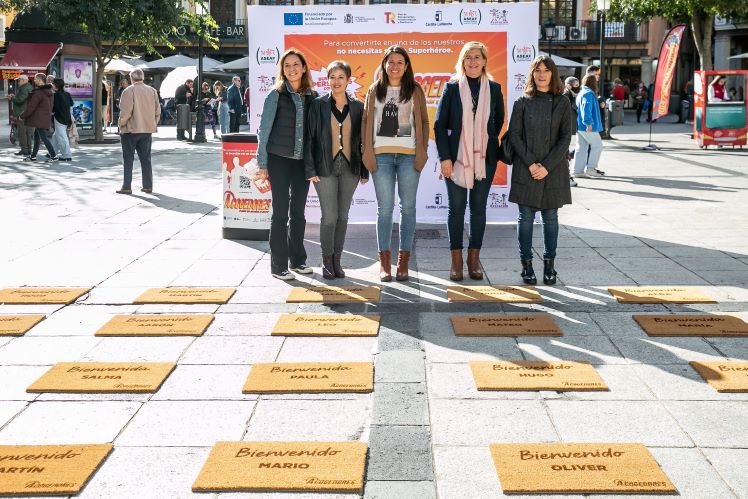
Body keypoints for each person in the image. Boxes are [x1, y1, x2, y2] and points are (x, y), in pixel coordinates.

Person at [434, 41, 504, 281]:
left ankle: (473, 261)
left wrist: (482, 142)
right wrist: (445, 158)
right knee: (456, 209)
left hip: (485, 159)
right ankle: (456, 263)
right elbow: (439, 125)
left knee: (478, 209)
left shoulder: (494, 89)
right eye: (468, 58)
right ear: (462, 62)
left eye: (477, 57)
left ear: (485, 60)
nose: (472, 62)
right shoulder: (452, 88)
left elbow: (498, 121)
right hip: (455, 160)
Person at [362, 45, 429, 282]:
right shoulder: (374, 90)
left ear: (407, 66)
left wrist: (422, 151)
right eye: (390, 62)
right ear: (384, 64)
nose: (395, 66)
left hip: (409, 156)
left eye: (400, 62)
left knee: (408, 208)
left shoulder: (415, 90)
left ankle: (403, 263)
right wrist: (367, 153)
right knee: (385, 209)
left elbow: (423, 121)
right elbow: (366, 123)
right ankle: (384, 264)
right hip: (381, 156)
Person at [508, 55, 572, 286]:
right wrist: (532, 164)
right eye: (538, 70)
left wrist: (546, 166)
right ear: (532, 74)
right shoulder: (522, 102)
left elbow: (566, 137)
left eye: (546, 70)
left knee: (551, 217)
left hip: (553, 170)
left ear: (553, 74)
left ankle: (549, 266)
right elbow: (514, 136)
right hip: (526, 168)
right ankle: (526, 266)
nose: (542, 74)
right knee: (525, 217)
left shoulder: (562, 102)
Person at [256, 49, 317, 280]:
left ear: (303, 68)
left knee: (299, 213)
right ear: (282, 69)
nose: (291, 69)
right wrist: (263, 162)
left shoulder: (313, 96)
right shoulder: (275, 94)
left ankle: (298, 261)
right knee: (280, 213)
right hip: (278, 160)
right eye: (287, 65)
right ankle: (278, 265)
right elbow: (264, 131)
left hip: (302, 162)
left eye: (296, 64)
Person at [305, 60, 368, 279]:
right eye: (332, 77)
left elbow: (363, 141)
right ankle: (326, 260)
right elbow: (310, 138)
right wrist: (310, 167)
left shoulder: (358, 107)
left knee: (343, 216)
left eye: (341, 77)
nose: (336, 81)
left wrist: (364, 170)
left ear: (348, 80)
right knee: (329, 217)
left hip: (350, 168)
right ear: (328, 80)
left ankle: (337, 261)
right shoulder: (318, 104)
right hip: (324, 168)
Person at [116, 68, 161, 195]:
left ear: (131, 78)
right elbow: (158, 112)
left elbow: (125, 112)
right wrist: (152, 124)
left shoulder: (128, 91)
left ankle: (126, 186)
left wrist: (121, 125)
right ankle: (148, 185)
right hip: (146, 130)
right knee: (146, 158)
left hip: (130, 130)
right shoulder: (152, 91)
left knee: (128, 158)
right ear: (143, 77)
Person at [20, 73, 58, 162]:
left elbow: (31, 107)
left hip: (38, 118)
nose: (34, 80)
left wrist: (22, 116)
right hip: (44, 117)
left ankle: (54, 156)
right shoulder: (50, 92)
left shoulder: (38, 93)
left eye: (36, 79)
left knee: (44, 138)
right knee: (37, 137)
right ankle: (33, 156)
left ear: (40, 80)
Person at [573, 75, 604, 179]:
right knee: (597, 145)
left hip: (580, 125)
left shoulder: (582, 93)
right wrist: (588, 123)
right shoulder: (589, 94)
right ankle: (591, 168)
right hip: (588, 126)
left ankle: (577, 171)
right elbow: (586, 109)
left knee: (581, 148)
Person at [8, 75, 34, 157]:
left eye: (19, 80)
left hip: (22, 113)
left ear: (23, 80)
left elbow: (20, 100)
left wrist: (12, 98)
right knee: (28, 132)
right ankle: (29, 149)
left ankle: (24, 150)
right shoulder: (29, 87)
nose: (18, 82)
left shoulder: (24, 88)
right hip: (27, 113)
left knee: (22, 133)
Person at [51, 78, 74, 161]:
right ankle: (52, 152)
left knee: (62, 136)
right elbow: (71, 103)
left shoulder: (56, 95)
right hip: (67, 117)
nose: (52, 85)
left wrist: (51, 112)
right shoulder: (67, 94)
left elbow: (55, 107)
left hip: (59, 117)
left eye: (53, 83)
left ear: (56, 85)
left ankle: (67, 155)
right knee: (56, 135)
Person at [563, 76, 579, 186]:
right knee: (567, 154)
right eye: (575, 84)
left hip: (572, 129)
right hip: (568, 129)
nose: (577, 86)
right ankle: (567, 177)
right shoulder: (566, 94)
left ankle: (568, 176)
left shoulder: (572, 95)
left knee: (570, 153)